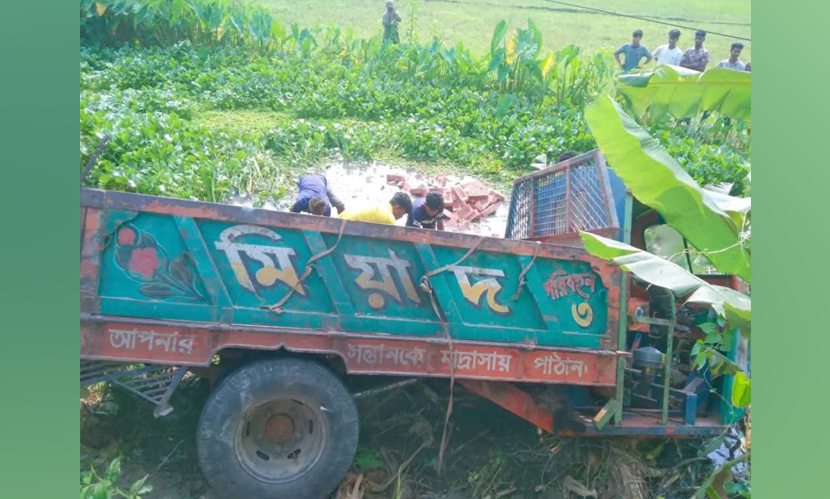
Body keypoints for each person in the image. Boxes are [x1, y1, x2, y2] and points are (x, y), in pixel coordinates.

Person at [339, 191, 412, 225]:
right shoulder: (388, 218)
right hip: (342, 231)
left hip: (338, 222)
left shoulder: (381, 205)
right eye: (403, 214)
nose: (401, 217)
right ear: (398, 208)